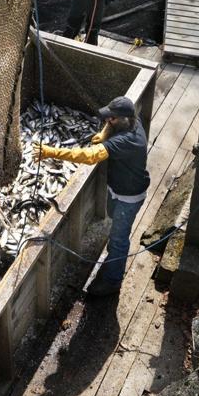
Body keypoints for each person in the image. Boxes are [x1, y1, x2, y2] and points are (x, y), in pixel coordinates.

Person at [33, 96, 150, 296]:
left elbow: (89, 156)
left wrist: (52, 152)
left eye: (111, 119)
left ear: (121, 119)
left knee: (119, 240)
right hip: (118, 189)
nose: (108, 121)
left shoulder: (127, 141)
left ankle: (113, 281)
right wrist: (103, 134)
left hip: (129, 197)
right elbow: (108, 128)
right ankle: (114, 259)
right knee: (114, 225)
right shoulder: (133, 121)